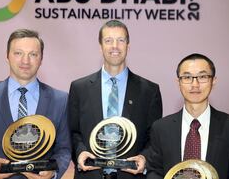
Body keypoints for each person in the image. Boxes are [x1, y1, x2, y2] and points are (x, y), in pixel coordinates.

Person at [0, 29, 71, 179]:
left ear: (41, 59)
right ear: (7, 56)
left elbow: (64, 149)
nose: (25, 61)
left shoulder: (60, 100)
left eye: (33, 54)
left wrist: (53, 172)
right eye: (18, 53)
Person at [68, 20, 163, 179]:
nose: (115, 46)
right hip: (90, 174)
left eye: (121, 40)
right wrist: (79, 153)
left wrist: (144, 158)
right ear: (100, 47)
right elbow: (72, 133)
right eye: (108, 40)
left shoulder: (149, 91)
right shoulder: (79, 88)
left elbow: (154, 138)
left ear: (128, 46)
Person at [146, 53, 229, 179]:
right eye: (187, 77)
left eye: (202, 76)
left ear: (213, 81)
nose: (195, 84)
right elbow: (154, 172)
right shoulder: (160, 128)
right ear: (178, 82)